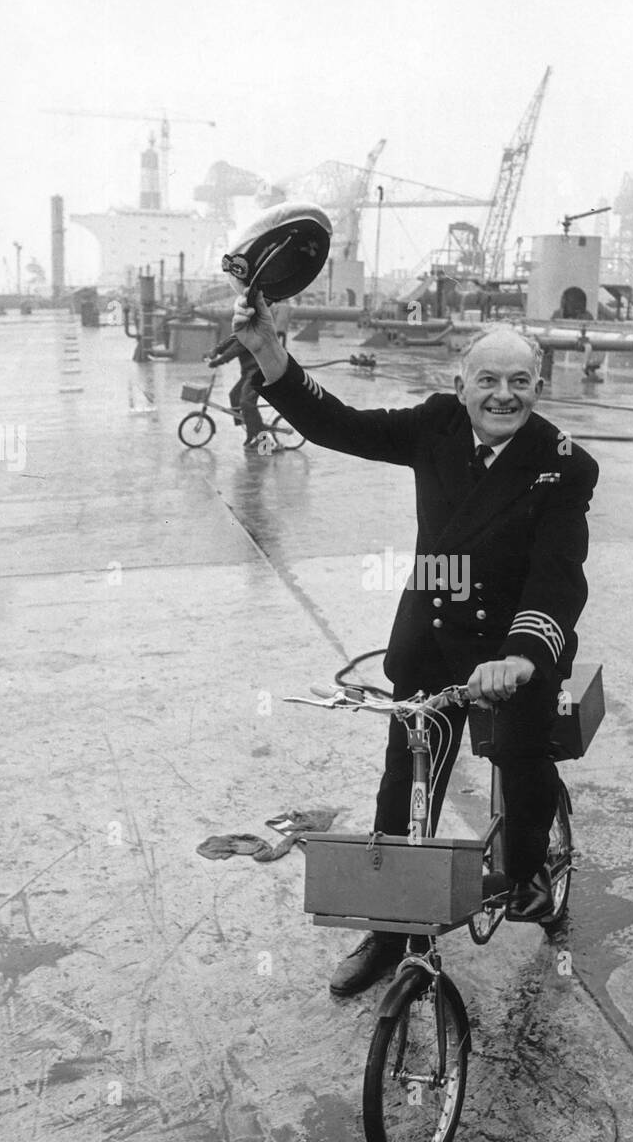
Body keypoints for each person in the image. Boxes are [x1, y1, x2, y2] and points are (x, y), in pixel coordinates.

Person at [233, 292, 598, 995]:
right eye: (486, 380)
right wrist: (271, 357)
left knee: (522, 774)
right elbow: (340, 424)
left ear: (537, 389)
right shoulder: (434, 426)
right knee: (401, 788)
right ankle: (388, 929)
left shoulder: (563, 463)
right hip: (431, 642)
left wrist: (522, 654)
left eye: (518, 381)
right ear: (461, 384)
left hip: (511, 652)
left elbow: (557, 576)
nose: (502, 394)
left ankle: (526, 875)